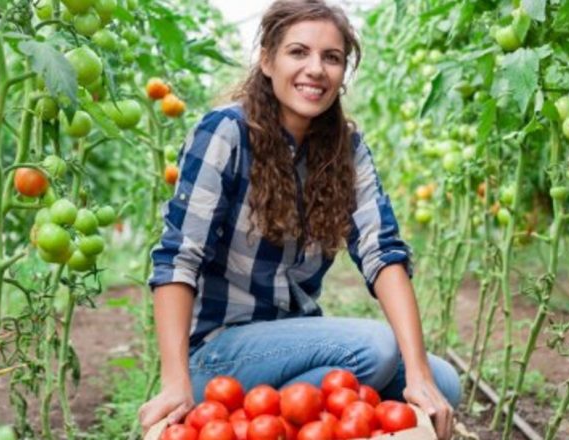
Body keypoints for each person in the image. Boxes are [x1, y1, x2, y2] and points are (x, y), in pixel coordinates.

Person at [137, 1, 461, 438]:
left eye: (332, 58)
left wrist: (419, 375)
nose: (316, 69)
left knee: (442, 382)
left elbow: (381, 252)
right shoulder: (226, 133)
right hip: (217, 353)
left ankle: (263, 421)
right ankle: (254, 417)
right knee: (376, 350)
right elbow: (178, 258)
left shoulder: (344, 148)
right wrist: (175, 379)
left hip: (290, 341)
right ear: (267, 60)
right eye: (298, 52)